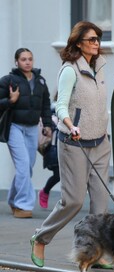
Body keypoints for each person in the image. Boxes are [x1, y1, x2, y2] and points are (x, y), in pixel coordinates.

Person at [30, 21, 112, 269]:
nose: (96, 43)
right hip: (74, 144)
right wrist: (70, 124)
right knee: (73, 201)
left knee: (100, 205)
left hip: (100, 143)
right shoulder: (69, 70)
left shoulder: (100, 66)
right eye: (91, 39)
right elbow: (61, 104)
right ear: (78, 43)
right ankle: (40, 237)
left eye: (98, 38)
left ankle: (94, 254)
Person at [0, 48, 52, 218]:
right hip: (14, 127)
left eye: (30, 59)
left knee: (27, 167)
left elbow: (45, 106)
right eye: (23, 59)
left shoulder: (40, 82)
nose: (27, 62)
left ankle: (13, 199)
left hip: (32, 128)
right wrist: (10, 100)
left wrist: (48, 125)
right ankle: (23, 205)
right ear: (16, 62)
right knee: (23, 166)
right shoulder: (8, 80)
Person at [38, 102, 60, 209]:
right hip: (54, 150)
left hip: (68, 150)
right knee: (58, 175)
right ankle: (45, 192)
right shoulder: (52, 115)